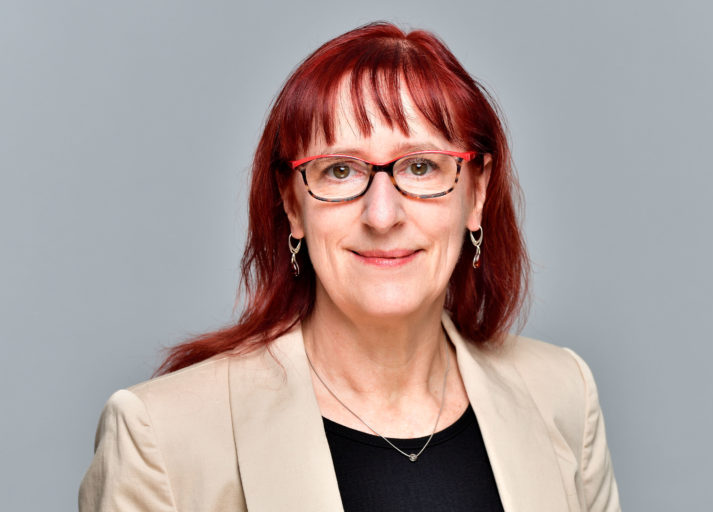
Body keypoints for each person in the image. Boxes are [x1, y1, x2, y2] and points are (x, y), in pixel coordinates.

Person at [79, 22, 620, 511]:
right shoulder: (162, 436)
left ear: (476, 193)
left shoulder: (562, 392)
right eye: (339, 170)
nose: (382, 215)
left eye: (421, 166)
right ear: (293, 204)